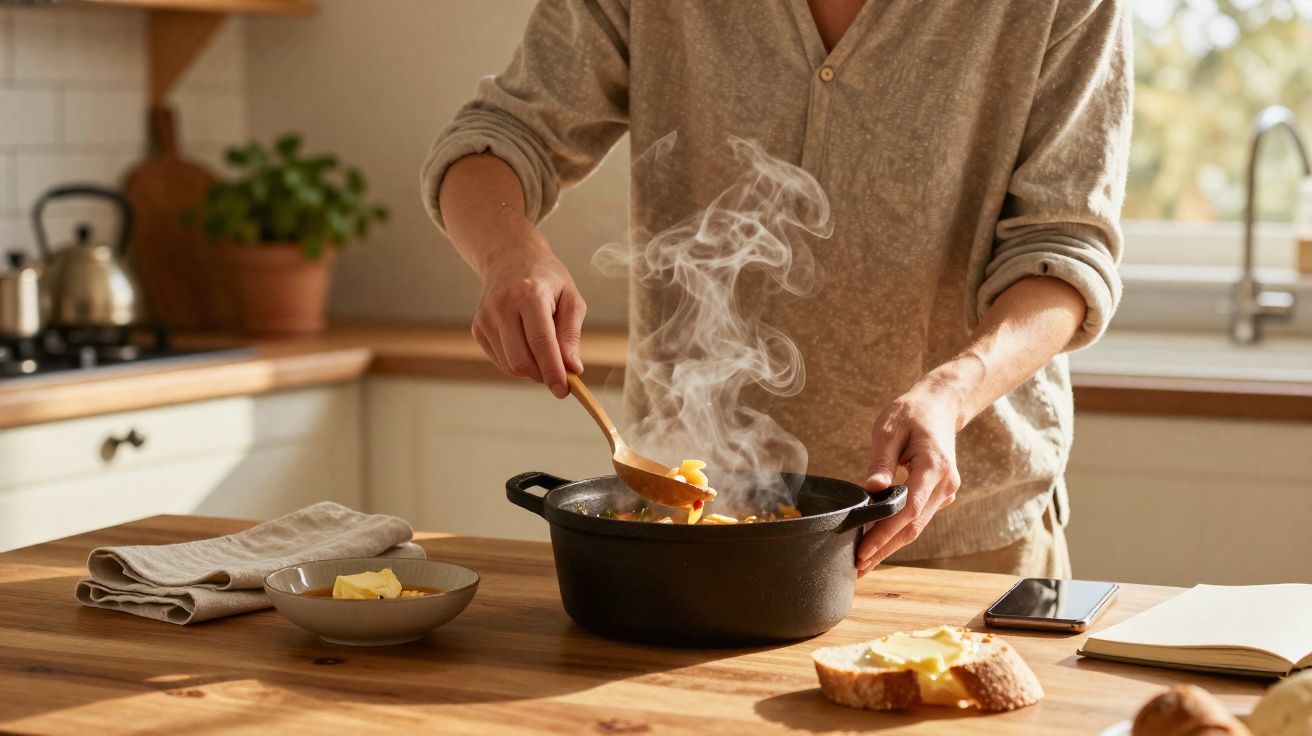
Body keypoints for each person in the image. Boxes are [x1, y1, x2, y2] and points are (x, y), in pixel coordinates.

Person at [422, 0, 1132, 577]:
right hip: (690, 528)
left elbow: (1065, 249)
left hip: (963, 533)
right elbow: (500, 135)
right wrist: (509, 252)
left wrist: (955, 389)